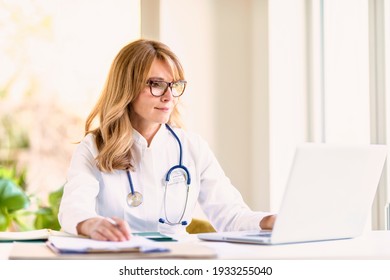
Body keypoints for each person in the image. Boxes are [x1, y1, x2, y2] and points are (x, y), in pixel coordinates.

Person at [58, 39, 275, 241]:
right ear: (127, 87)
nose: (169, 96)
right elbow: (73, 209)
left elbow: (231, 216)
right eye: (156, 84)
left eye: (174, 85)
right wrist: (91, 224)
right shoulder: (94, 147)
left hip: (175, 263)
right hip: (118, 259)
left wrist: (269, 221)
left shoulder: (192, 147)